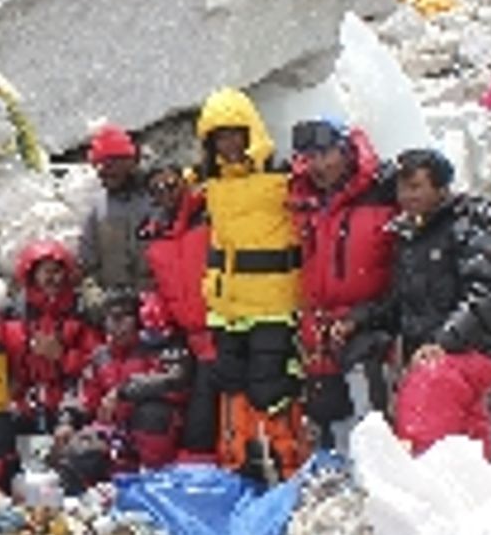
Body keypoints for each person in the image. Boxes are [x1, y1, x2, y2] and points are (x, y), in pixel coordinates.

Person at [355, 150, 491, 458]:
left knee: (426, 435)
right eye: (402, 188)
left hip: (476, 349)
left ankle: (426, 487)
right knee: (468, 446)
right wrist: (357, 320)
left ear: (442, 188)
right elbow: (401, 302)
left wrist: (444, 342)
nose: (406, 196)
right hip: (436, 355)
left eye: (415, 187)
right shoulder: (410, 235)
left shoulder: (475, 223)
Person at [195, 87, 306, 482]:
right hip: (228, 309)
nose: (228, 145)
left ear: (252, 134)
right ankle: (241, 471)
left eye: (235, 134)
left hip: (274, 306)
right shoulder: (210, 188)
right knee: (233, 390)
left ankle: (290, 471)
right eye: (219, 138)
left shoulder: (283, 181)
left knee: (272, 390)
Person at [287, 118, 396, 450]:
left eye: (324, 153)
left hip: (370, 325)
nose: (317, 165)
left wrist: (368, 316)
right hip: (319, 329)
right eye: (309, 156)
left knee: (372, 422)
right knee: (327, 418)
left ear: (346, 150)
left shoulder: (385, 192)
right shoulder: (304, 199)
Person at [0, 240, 100, 489]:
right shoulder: (9, 316)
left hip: (69, 404)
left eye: (57, 271)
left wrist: (62, 356)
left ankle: (74, 499)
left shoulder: (81, 315)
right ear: (31, 274)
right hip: (24, 403)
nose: (52, 278)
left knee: (86, 449)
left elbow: (97, 366)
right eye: (45, 271)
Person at [54, 296, 188, 492]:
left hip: (154, 440)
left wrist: (123, 392)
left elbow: (175, 383)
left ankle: (154, 484)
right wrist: (66, 421)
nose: (116, 326)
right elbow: (83, 396)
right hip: (114, 435)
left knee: (153, 413)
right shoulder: (101, 357)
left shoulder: (159, 349)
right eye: (111, 318)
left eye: (123, 318)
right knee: (77, 450)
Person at [138, 165, 216, 459]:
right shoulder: (156, 236)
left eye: (170, 185)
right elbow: (158, 286)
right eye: (156, 190)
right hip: (188, 339)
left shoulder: (209, 216)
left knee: (213, 418)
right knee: (191, 418)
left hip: (224, 329)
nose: (165, 193)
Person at [78, 124, 153, 297]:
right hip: (116, 305)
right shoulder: (98, 209)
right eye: (98, 164)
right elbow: (87, 262)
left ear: (131, 162)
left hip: (156, 301)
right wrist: (94, 295)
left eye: (111, 163)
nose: (102, 170)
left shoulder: (155, 200)